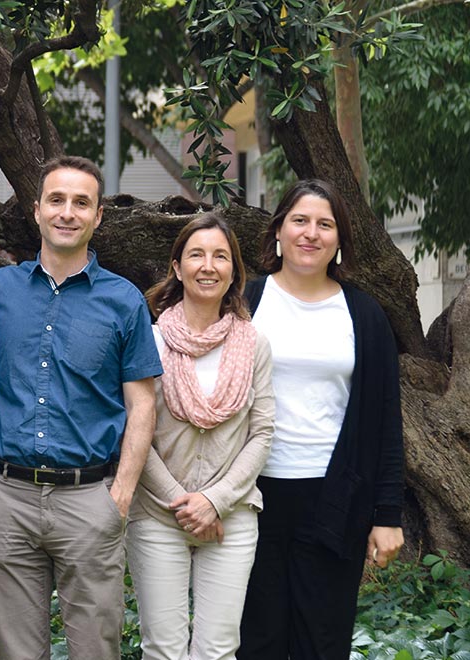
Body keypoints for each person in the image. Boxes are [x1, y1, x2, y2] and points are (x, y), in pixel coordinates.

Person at [0, 155, 161, 660]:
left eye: (82, 203)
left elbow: (142, 403)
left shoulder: (124, 301)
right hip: (6, 500)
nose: (67, 212)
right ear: (36, 210)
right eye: (56, 200)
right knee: (15, 652)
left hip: (89, 500)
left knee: (95, 649)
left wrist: (119, 496)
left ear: (98, 217)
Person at [236, 179, 405, 660]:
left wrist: (387, 516)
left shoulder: (364, 315)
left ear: (339, 241)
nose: (311, 234)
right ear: (278, 233)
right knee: (255, 642)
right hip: (252, 496)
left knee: (322, 644)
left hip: (335, 501)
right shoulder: (245, 303)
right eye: (300, 221)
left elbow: (386, 422)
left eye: (325, 225)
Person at [126, 213, 275, 660]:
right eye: (196, 255)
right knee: (164, 649)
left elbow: (262, 431)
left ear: (233, 271)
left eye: (220, 256)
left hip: (231, 516)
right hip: (157, 515)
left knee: (219, 649)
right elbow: (137, 429)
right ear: (177, 267)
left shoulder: (254, 344)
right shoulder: (148, 341)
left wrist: (215, 501)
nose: (208, 266)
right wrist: (182, 503)